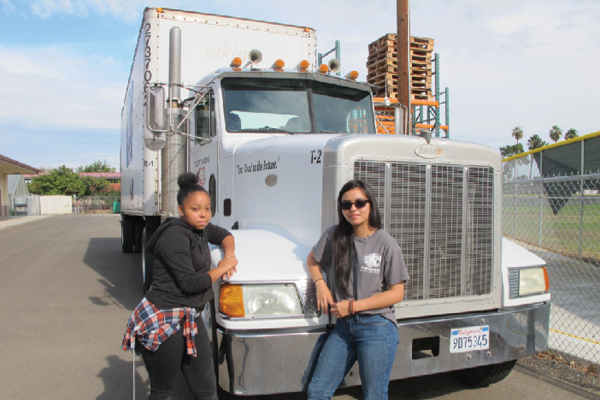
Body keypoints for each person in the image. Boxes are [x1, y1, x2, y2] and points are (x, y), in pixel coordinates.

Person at [122, 172, 237, 400]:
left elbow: (225, 235)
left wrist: (229, 255)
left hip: (190, 316)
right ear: (181, 210)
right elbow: (190, 283)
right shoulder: (174, 236)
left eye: (207, 208)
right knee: (164, 392)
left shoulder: (201, 228)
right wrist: (222, 268)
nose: (203, 214)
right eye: (196, 209)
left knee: (207, 390)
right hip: (164, 317)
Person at [306, 179, 409, 400]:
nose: (353, 209)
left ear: (370, 204)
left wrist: (353, 306)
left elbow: (396, 293)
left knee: (374, 395)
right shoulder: (334, 236)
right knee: (317, 392)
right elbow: (312, 260)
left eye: (360, 203)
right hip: (344, 328)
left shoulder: (386, 244)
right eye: (346, 205)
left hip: (377, 326)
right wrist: (320, 284)